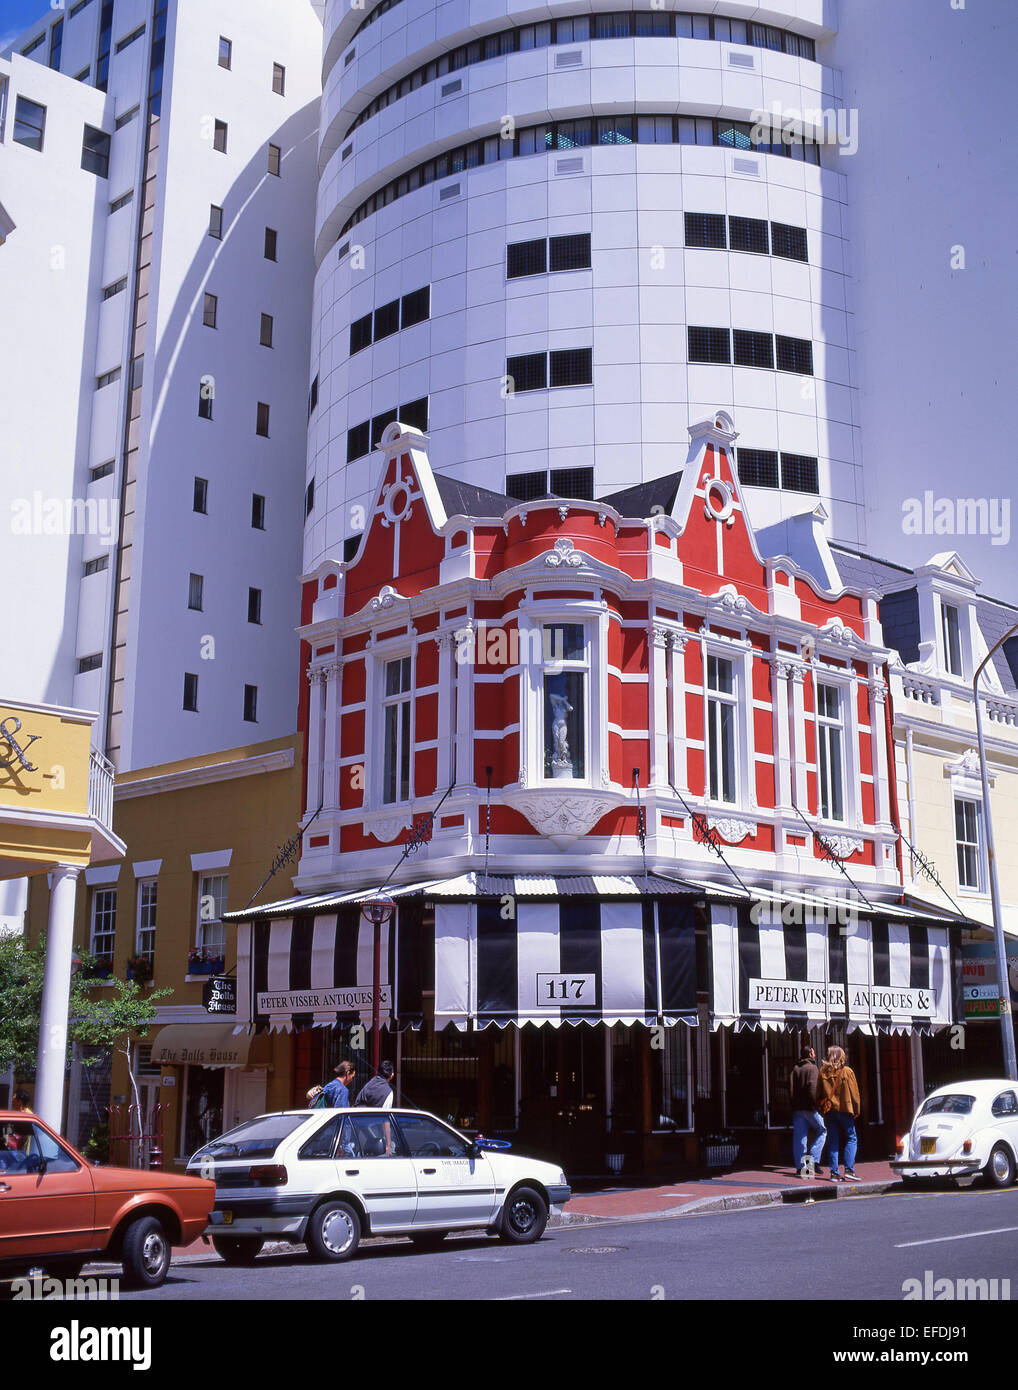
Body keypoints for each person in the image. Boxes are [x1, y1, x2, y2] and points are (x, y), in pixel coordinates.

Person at [817, 1045, 861, 1181]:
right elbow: (855, 1094)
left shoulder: (823, 1072)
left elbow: (818, 1093)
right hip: (845, 1109)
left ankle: (834, 1173)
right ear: (842, 1056)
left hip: (830, 1110)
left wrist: (821, 1108)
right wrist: (857, 1109)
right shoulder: (847, 1071)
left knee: (833, 1140)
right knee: (851, 1137)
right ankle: (849, 1169)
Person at [789, 1045, 826, 1178]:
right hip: (810, 1107)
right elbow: (813, 1089)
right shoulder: (812, 1067)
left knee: (800, 1137)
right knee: (822, 1130)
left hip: (798, 1108)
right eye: (814, 1052)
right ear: (810, 1054)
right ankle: (814, 1160)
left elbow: (791, 1090)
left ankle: (801, 1168)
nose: (815, 1054)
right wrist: (817, 1106)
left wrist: (793, 1105)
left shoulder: (796, 1068)